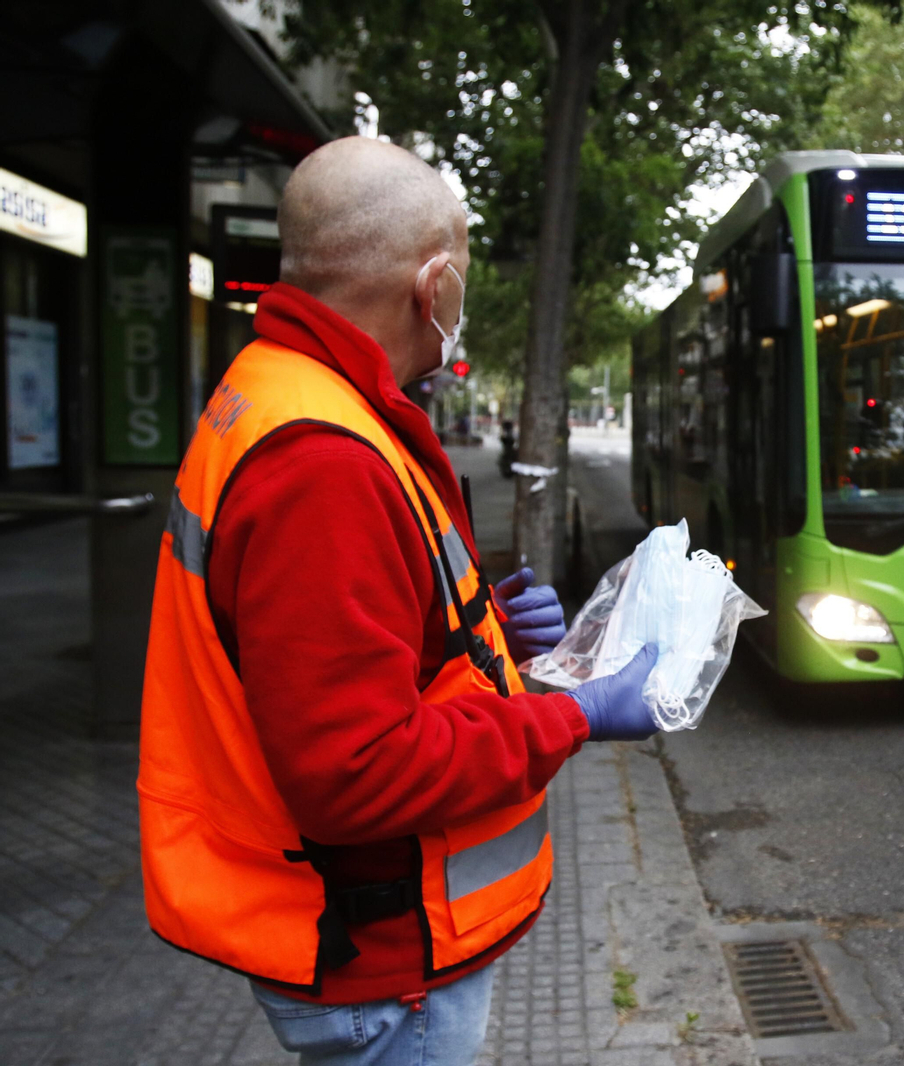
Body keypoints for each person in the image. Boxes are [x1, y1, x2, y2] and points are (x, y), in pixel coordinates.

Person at [139, 137, 657, 1066]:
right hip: (386, 964)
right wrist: (568, 715)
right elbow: (356, 769)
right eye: (459, 270)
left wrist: (475, 622)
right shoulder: (323, 464)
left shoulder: (281, 392)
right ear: (435, 286)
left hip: (371, 946)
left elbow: (322, 635)